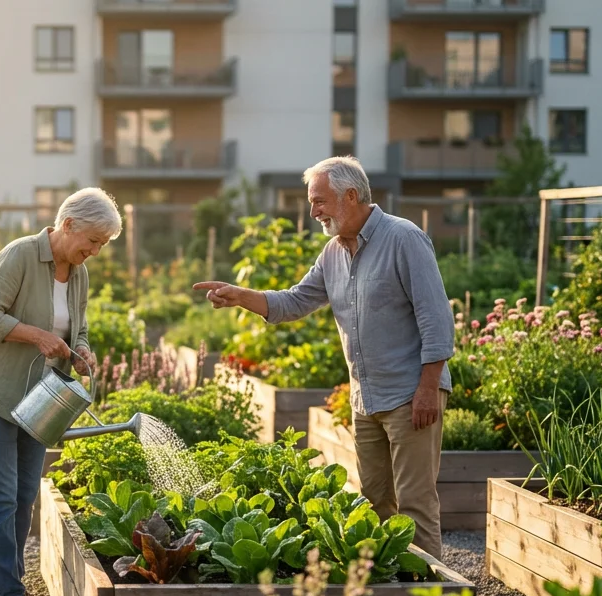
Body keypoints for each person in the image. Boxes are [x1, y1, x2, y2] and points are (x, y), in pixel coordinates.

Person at [193, 157, 453, 558]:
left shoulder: (404, 238)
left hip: (409, 395)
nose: (313, 212)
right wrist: (240, 295)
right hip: (366, 399)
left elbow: (436, 319)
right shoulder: (334, 253)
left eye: (319, 202)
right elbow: (296, 301)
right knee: (375, 503)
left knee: (416, 507)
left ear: (351, 196)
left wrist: (427, 389)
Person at [0, 188, 122, 596]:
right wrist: (36, 336)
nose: (94, 251)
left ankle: (6, 590)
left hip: (39, 396)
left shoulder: (79, 273)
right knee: (0, 499)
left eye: (102, 245)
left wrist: (82, 352)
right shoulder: (20, 256)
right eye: (92, 241)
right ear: (67, 225)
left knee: (25, 496)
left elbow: (78, 327)